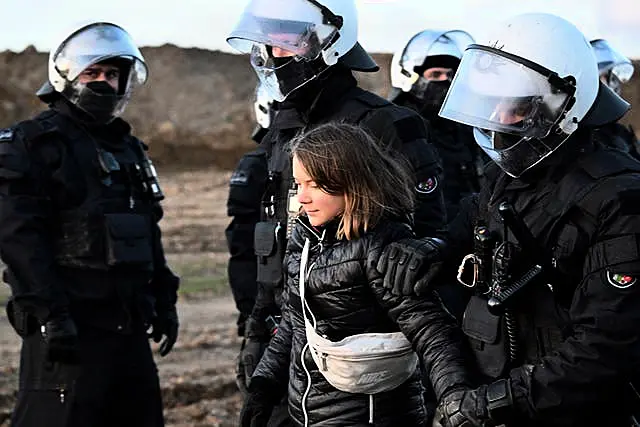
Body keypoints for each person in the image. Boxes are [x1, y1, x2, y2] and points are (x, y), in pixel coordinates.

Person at [376, 13, 640, 426]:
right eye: (492, 100)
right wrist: (435, 250)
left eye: (515, 104)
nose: (499, 116)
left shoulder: (619, 196)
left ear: (558, 106)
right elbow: (471, 225)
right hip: (496, 389)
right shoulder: (511, 172)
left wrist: (496, 402)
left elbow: (606, 346)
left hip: (570, 412)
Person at [225, 0, 446, 420]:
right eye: (269, 43)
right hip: (285, 338)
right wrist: (255, 332)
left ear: (327, 41)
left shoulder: (387, 124)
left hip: (358, 358)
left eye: (287, 41)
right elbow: (273, 238)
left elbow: (426, 238)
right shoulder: (281, 130)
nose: (275, 55)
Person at [0, 22, 179, 427]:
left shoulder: (130, 148)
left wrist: (164, 299)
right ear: (68, 76)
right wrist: (51, 315)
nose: (103, 82)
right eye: (92, 73)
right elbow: (19, 238)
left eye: (112, 74)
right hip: (67, 326)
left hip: (128, 325)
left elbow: (147, 228)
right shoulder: (33, 143)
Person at [240, 122, 468, 427]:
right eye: (298, 185)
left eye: (314, 185)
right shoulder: (304, 240)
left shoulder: (383, 248)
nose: (302, 198)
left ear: (350, 182)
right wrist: (263, 387)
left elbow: (433, 332)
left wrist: (456, 397)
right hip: (306, 416)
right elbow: (295, 324)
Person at [390, 29, 487, 218]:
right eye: (436, 74)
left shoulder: (465, 128)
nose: (445, 80)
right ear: (411, 77)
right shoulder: (396, 128)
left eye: (450, 74)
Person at [590, 38, 639, 158]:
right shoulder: (583, 140)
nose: (613, 84)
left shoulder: (618, 134)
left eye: (610, 77)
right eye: (605, 76)